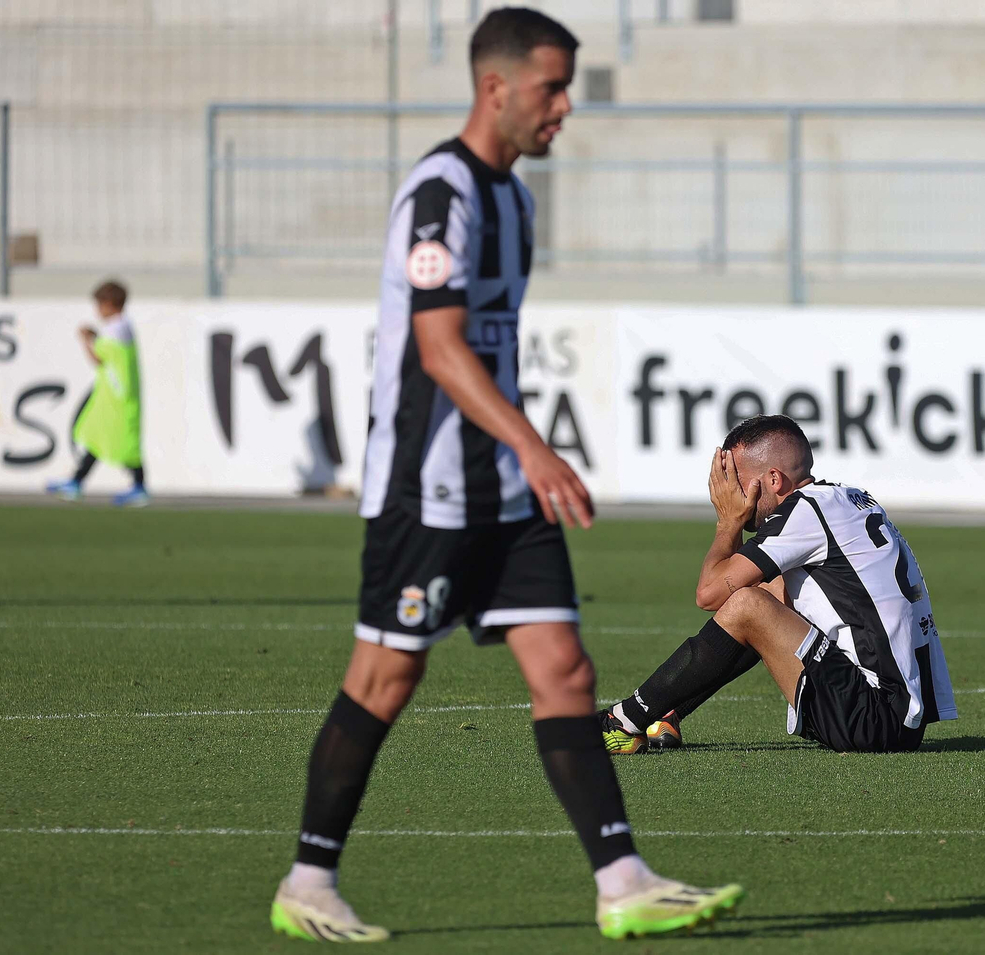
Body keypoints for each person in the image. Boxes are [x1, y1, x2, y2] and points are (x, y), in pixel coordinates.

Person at [269, 8, 742, 943]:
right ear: (496, 88)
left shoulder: (517, 203)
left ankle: (624, 881)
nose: (564, 106)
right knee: (386, 676)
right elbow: (439, 347)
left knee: (564, 669)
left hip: (504, 489)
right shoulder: (439, 194)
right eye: (551, 88)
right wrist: (533, 444)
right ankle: (309, 882)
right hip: (427, 488)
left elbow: (487, 345)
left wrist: (519, 457)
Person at [602, 415, 958, 755]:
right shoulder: (847, 498)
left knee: (749, 604)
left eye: (738, 482)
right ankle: (668, 712)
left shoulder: (805, 512)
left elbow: (709, 594)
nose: (733, 493)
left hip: (873, 717)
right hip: (898, 718)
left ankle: (620, 721)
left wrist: (728, 522)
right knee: (769, 591)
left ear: (774, 479)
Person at [45, 279, 148, 507]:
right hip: (112, 398)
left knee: (124, 444)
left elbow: (98, 358)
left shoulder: (116, 329)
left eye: (100, 305)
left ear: (110, 304)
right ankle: (76, 481)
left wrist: (86, 340)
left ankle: (139, 486)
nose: (97, 310)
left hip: (118, 399)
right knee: (97, 437)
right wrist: (95, 336)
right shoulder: (121, 327)